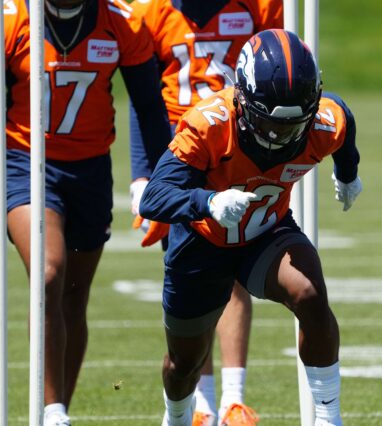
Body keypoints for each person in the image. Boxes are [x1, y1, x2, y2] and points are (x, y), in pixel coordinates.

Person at [0, 1, 172, 425]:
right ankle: (52, 413)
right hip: (27, 164)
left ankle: (57, 411)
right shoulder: (6, 19)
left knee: (73, 293)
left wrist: (160, 185)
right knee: (49, 272)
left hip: (91, 169)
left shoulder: (120, 21)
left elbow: (148, 105)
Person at [139, 29, 362, 426]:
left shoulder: (324, 122)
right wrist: (207, 201)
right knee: (183, 364)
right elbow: (153, 197)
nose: (281, 136)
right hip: (201, 243)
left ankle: (329, 419)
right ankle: (176, 416)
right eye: (270, 123)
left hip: (265, 233)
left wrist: (348, 172)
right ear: (241, 99)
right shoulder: (207, 124)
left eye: (293, 124)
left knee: (310, 294)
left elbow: (342, 117)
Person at [127, 1, 283, 424]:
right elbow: (143, 98)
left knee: (233, 272)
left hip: (241, 145)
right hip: (182, 151)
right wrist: (142, 175)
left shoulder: (257, 7)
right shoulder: (153, 12)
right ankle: (202, 402)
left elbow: (283, 64)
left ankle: (232, 398)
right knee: (194, 280)